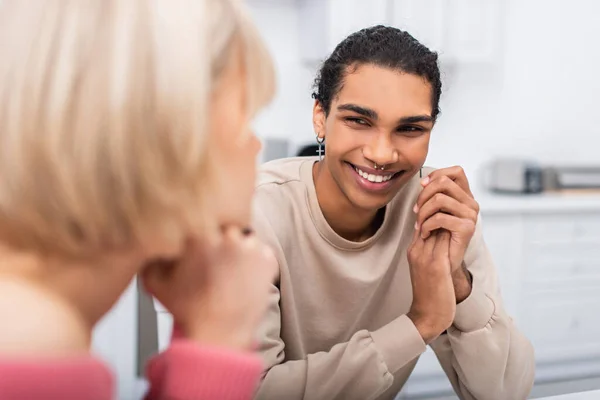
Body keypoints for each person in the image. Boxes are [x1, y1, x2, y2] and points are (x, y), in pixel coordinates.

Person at [0, 0, 277, 399]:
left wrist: (208, 331)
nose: (255, 145)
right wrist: (222, 339)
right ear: (167, 127)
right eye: (245, 113)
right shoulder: (32, 338)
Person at [252, 25, 535, 400]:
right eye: (358, 121)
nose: (382, 154)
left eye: (410, 128)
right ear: (321, 116)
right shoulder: (254, 213)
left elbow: (505, 394)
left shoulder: (439, 213)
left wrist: (458, 283)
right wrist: (420, 325)